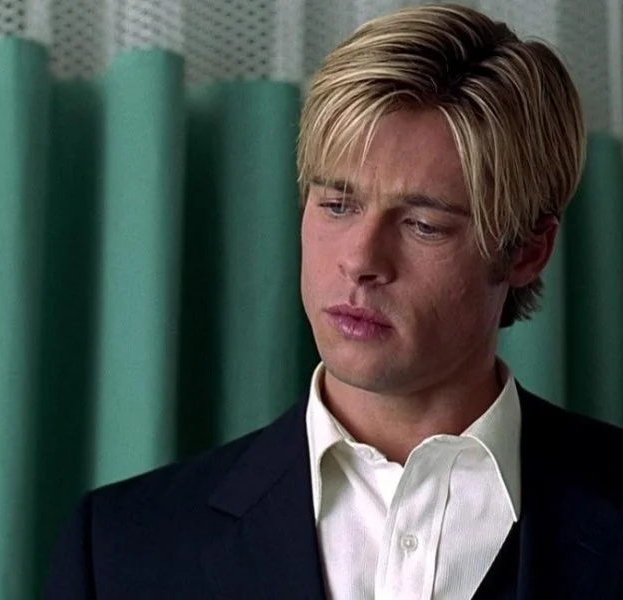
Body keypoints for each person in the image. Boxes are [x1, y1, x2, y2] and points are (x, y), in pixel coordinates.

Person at [43, 4, 623, 599]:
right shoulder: (120, 550)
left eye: (423, 224)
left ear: (527, 251)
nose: (360, 259)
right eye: (337, 205)